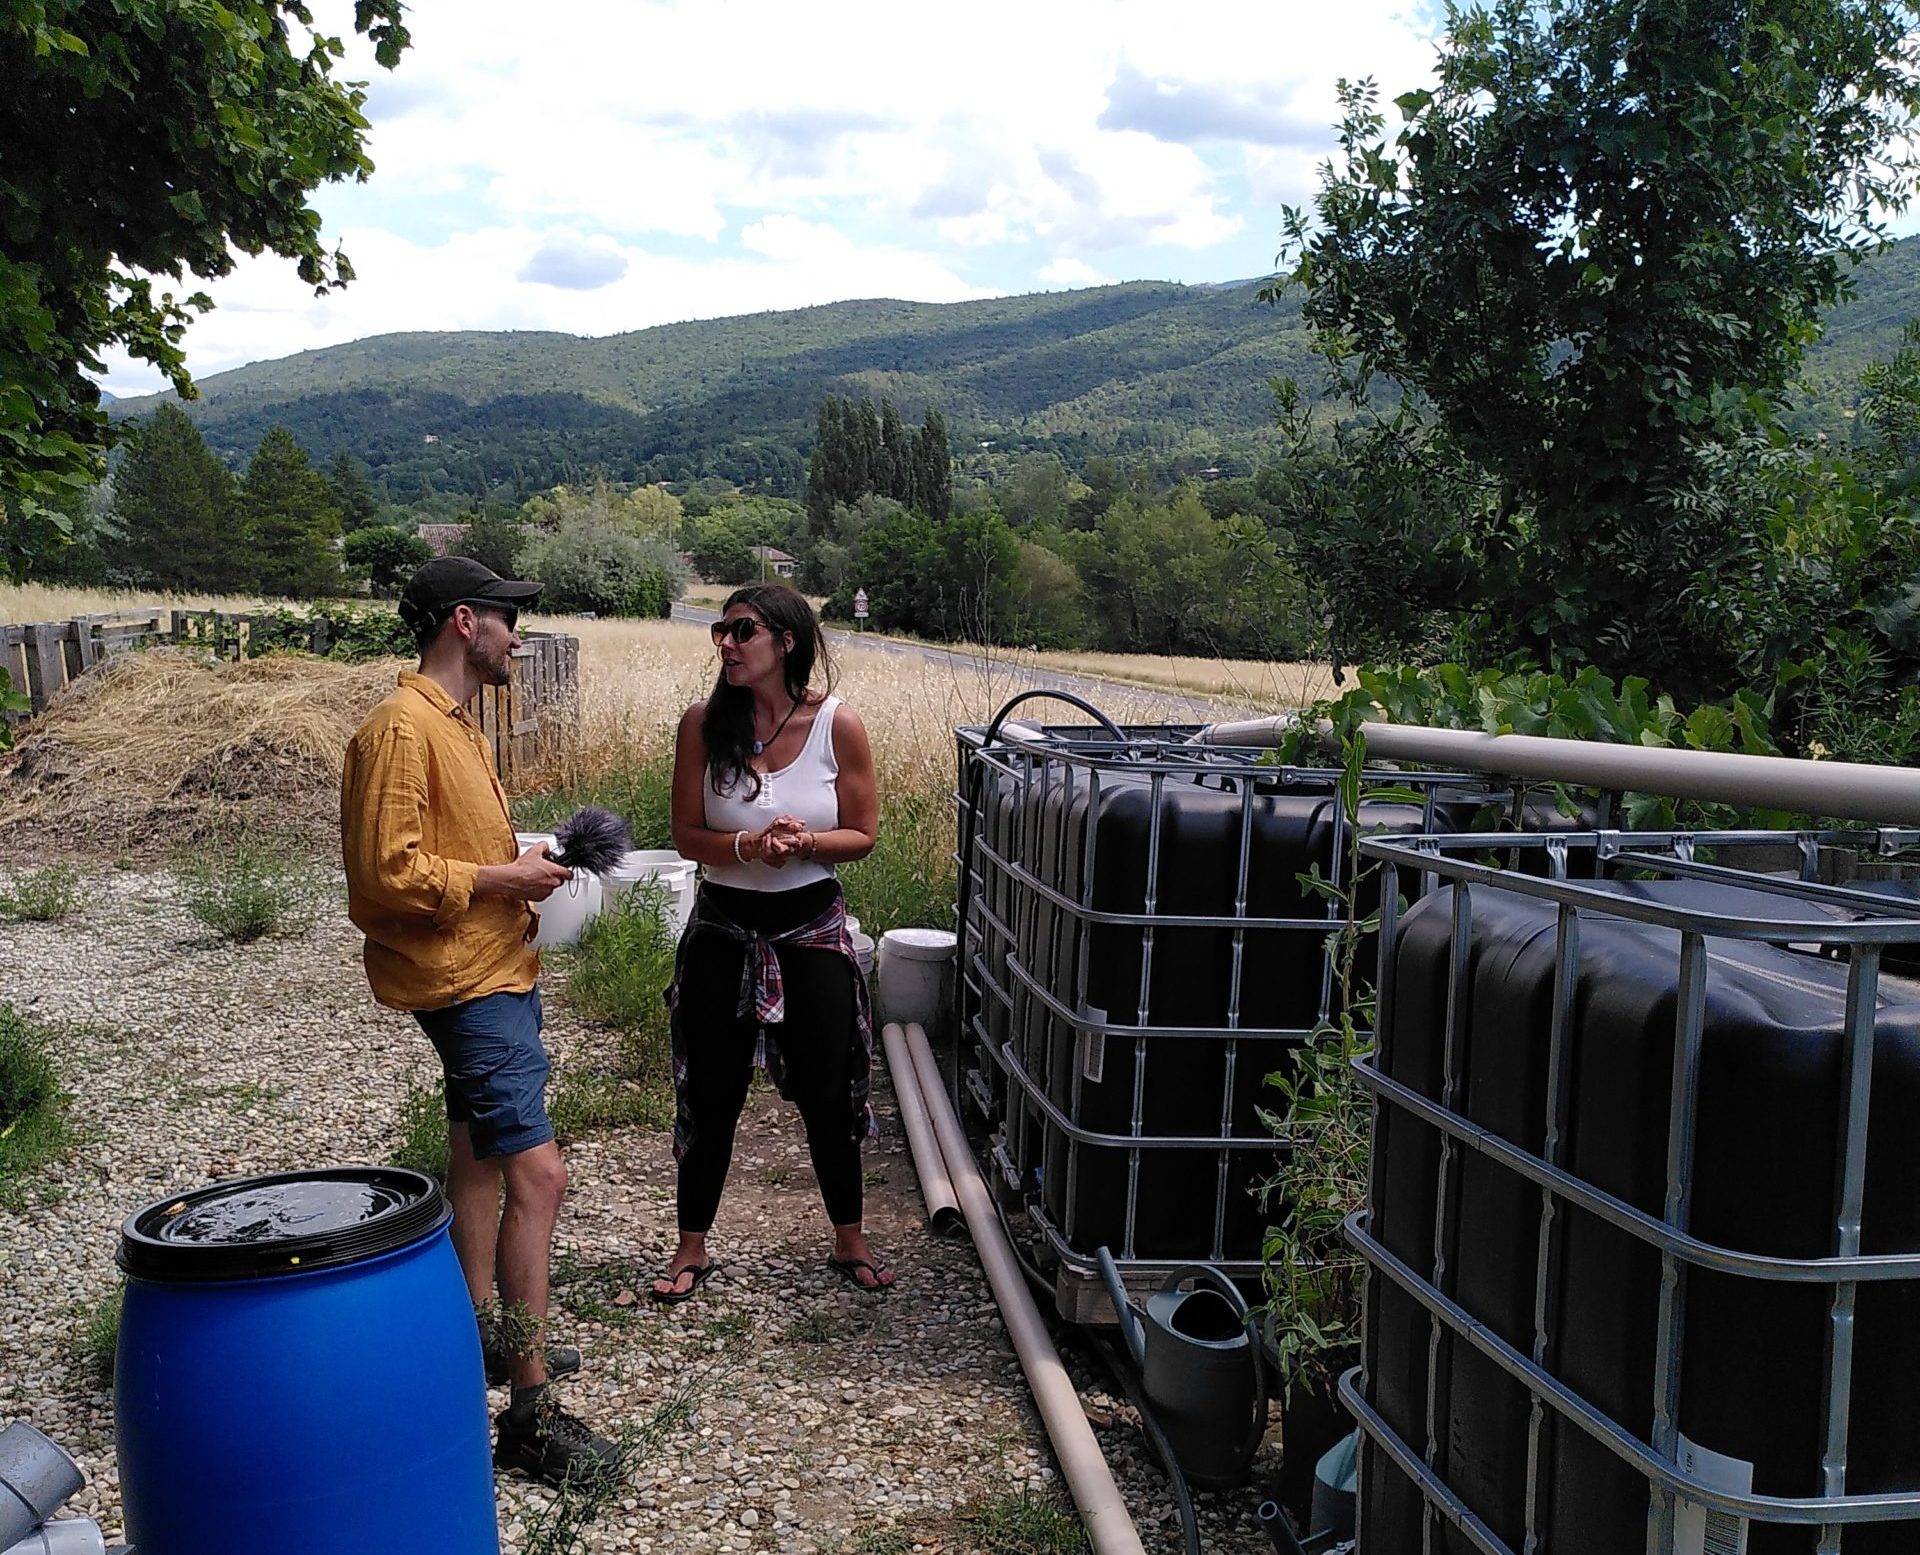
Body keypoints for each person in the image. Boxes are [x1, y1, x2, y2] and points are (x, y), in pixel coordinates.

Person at [340, 555, 619, 1488]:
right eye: (507, 617)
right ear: (465, 620)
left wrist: (517, 861)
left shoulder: (455, 723)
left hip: (496, 963)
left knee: (479, 1158)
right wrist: (502, 879)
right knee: (541, 1174)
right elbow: (385, 876)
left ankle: (479, 1346)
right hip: (468, 984)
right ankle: (530, 1414)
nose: (516, 634)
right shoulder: (399, 726)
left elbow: (447, 851)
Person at [653, 583, 893, 1301]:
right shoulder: (702, 722)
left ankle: (849, 1238)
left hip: (811, 933)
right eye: (720, 632)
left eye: (740, 630)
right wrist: (747, 846)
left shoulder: (837, 725)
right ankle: (690, 1246)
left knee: (830, 1091)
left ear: (786, 641)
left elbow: (863, 832)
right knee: (710, 1090)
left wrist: (806, 842)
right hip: (723, 931)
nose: (724, 642)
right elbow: (687, 835)